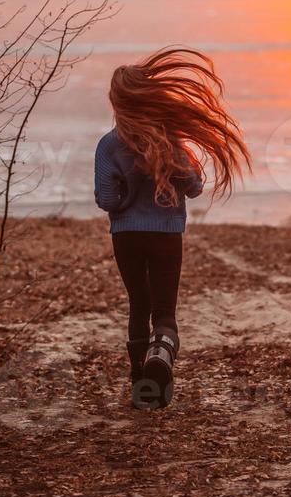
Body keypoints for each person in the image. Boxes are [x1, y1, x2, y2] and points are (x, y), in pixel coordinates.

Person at [95, 48, 251, 409]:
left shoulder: (109, 144)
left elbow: (106, 199)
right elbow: (194, 188)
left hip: (126, 236)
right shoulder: (170, 141)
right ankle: (161, 354)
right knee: (164, 312)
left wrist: (126, 197)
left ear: (118, 101)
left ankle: (141, 386)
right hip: (166, 235)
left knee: (138, 304)